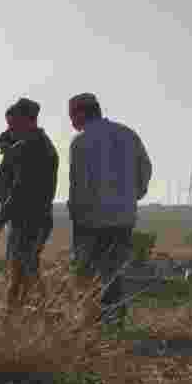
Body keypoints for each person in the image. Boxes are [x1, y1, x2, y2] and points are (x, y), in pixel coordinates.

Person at [66, 93, 152, 326]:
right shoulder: (127, 134)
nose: (71, 121)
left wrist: (76, 214)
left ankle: (94, 322)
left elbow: (78, 186)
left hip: (92, 220)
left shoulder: (80, 143)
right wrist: (134, 194)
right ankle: (115, 320)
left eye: (72, 115)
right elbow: (145, 167)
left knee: (88, 274)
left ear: (82, 113)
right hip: (124, 218)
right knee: (113, 272)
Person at [0, 98, 59, 312]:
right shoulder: (30, 142)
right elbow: (6, 138)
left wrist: (0, 221)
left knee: (24, 272)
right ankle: (22, 315)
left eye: (13, 124)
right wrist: (6, 142)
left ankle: (39, 314)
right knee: (23, 272)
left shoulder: (33, 148)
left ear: (28, 121)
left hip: (30, 220)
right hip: (27, 219)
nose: (10, 129)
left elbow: (20, 191)